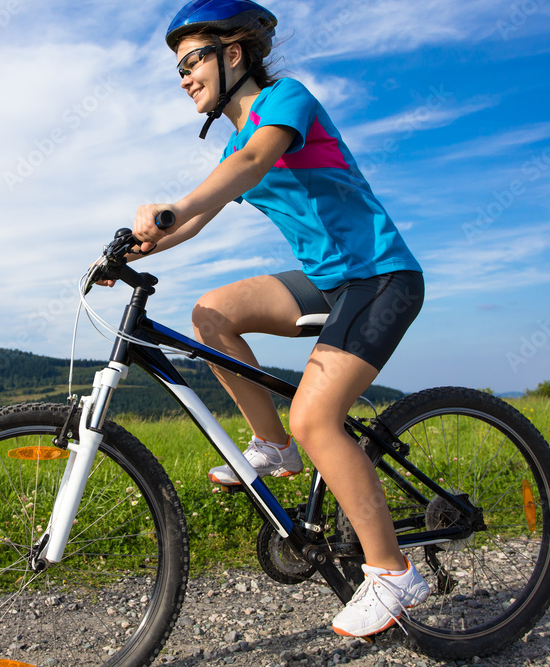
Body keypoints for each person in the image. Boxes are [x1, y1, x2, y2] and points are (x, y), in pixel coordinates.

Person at [127, 0, 430, 638]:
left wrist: (170, 207)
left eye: (191, 61)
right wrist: (133, 251)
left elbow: (249, 166)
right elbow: (200, 214)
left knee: (317, 415)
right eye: (178, 69)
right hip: (327, 282)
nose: (183, 77)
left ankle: (394, 572)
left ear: (233, 54)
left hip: (380, 275)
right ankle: (276, 449)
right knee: (211, 313)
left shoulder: (285, 100)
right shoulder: (238, 140)